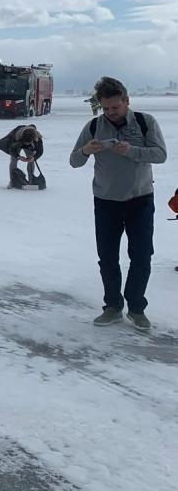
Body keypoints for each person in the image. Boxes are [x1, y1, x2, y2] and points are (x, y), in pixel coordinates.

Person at [69, 76, 167, 330]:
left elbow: (160, 154)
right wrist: (86, 151)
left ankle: (136, 308)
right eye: (106, 108)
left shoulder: (145, 122)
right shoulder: (93, 127)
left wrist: (131, 151)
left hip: (140, 200)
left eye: (116, 107)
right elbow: (74, 161)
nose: (111, 113)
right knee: (108, 257)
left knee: (142, 256)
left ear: (127, 101)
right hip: (106, 202)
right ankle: (113, 306)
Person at [0, 124, 45, 188]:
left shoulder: (37, 138)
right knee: (14, 160)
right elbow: (11, 150)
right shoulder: (16, 136)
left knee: (31, 161)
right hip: (18, 143)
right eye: (25, 143)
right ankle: (12, 182)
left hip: (30, 144)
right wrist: (18, 156)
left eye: (28, 143)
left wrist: (34, 158)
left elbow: (40, 151)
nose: (26, 144)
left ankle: (31, 181)